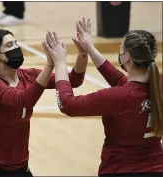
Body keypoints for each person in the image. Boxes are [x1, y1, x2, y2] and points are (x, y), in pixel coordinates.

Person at [43, 18, 163, 177]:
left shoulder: (120, 96)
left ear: (126, 56)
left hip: (119, 171)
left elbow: (67, 104)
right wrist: (89, 48)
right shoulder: (157, 83)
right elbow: (120, 81)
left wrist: (59, 63)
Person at [0, 29, 89, 177]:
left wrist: (83, 54)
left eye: (16, 43)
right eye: (9, 45)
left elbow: (74, 80)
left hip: (20, 166)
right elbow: (24, 100)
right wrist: (50, 65)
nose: (16, 48)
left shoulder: (29, 75)